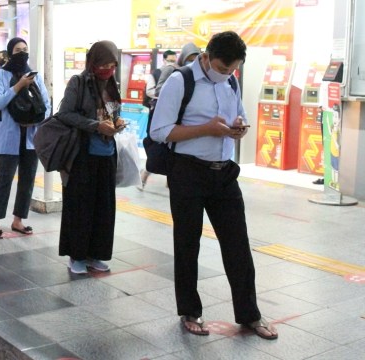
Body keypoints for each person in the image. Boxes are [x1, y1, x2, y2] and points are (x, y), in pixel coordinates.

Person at [150, 31, 278, 340]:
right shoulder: (181, 82)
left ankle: (250, 315)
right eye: (221, 68)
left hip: (223, 175)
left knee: (238, 245)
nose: (226, 75)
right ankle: (190, 311)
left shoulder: (231, 82)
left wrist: (237, 129)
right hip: (188, 172)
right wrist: (205, 129)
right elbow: (160, 131)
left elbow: (239, 117)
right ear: (206, 58)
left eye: (232, 69)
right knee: (187, 243)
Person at [56, 40, 124, 274]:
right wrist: (96, 126)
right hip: (81, 155)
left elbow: (114, 113)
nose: (108, 69)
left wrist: (117, 122)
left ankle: (96, 254)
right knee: (80, 206)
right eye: (103, 64)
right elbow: (64, 114)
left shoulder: (112, 86)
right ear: (92, 62)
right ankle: (76, 256)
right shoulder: (78, 82)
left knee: (103, 208)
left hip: (107, 154)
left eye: (112, 64)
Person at [0, 37, 51, 239]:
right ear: (10, 52)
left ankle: (18, 220)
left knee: (28, 179)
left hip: (30, 137)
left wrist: (36, 123)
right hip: (10, 138)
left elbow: (46, 104)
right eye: (17, 50)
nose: (22, 53)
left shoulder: (35, 76)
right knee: (4, 178)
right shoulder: (1, 75)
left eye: (25, 49)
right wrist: (18, 86)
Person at [140, 44, 201, 190]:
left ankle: (171, 181)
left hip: (182, 121)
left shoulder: (199, 76)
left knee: (173, 154)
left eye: (195, 59)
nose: (192, 63)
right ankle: (144, 175)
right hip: (167, 118)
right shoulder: (172, 71)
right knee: (160, 152)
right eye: (189, 59)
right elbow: (158, 91)